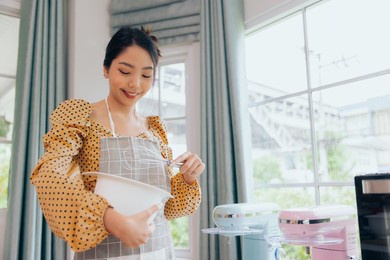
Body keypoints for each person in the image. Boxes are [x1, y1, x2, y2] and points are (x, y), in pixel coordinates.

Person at [30, 26, 205, 260]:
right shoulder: (81, 117)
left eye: (145, 75)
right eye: (125, 71)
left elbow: (167, 209)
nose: (135, 84)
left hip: (160, 252)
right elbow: (50, 177)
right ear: (106, 69)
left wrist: (187, 178)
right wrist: (111, 220)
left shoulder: (155, 130)